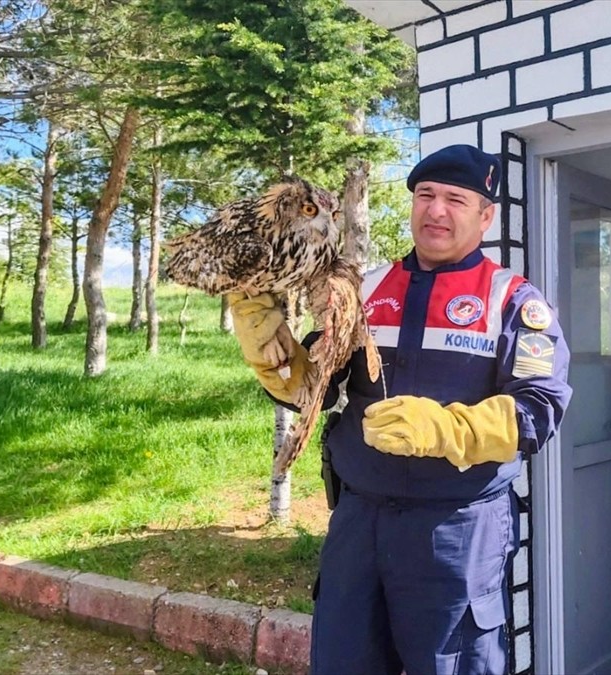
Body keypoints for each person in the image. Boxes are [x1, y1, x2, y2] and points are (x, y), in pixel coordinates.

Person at [229, 144, 571, 675]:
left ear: (486, 216)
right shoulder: (364, 291)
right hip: (359, 523)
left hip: (456, 530)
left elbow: (541, 408)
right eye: (425, 195)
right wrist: (274, 357)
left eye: (455, 199)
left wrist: (448, 428)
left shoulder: (513, 301)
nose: (435, 210)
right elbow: (313, 386)